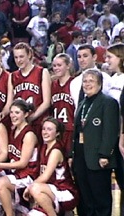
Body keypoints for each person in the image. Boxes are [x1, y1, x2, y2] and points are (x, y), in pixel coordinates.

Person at [70, 69, 119, 216]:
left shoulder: (108, 102)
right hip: (81, 158)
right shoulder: (83, 103)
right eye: (85, 81)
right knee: (85, 198)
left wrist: (105, 154)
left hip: (98, 158)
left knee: (100, 197)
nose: (87, 84)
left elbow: (110, 131)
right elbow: (77, 130)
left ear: (100, 83)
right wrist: (72, 154)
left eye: (91, 80)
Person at [23, 117, 79, 215]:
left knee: (35, 188)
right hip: (50, 190)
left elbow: (45, 176)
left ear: (57, 133)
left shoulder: (56, 151)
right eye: (44, 129)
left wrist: (29, 188)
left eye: (49, 129)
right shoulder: (43, 147)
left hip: (65, 192)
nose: (45, 132)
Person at [0, 99, 38, 216]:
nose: (13, 115)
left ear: (26, 114)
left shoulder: (29, 135)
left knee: (0, 183)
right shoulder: (14, 130)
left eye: (17, 113)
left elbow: (22, 163)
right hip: (15, 172)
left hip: (28, 174)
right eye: (11, 112)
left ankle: (9, 213)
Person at [12, 42, 51, 140]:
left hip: (38, 122)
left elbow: (46, 102)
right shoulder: (12, 76)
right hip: (20, 123)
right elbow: (10, 102)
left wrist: (31, 117)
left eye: (21, 56)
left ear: (29, 55)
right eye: (16, 57)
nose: (19, 60)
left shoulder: (42, 72)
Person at [105, 43, 124, 215]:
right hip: (114, 136)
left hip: (122, 136)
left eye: (110, 57)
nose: (107, 60)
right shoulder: (111, 80)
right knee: (120, 178)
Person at [70, 44, 112, 109]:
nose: (81, 60)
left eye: (85, 56)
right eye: (79, 57)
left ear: (94, 57)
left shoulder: (105, 79)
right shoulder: (74, 83)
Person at [51, 53, 75, 156]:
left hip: (70, 129)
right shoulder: (52, 84)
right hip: (57, 130)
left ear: (68, 66)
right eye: (54, 66)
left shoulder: (75, 83)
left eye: (59, 65)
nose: (56, 68)